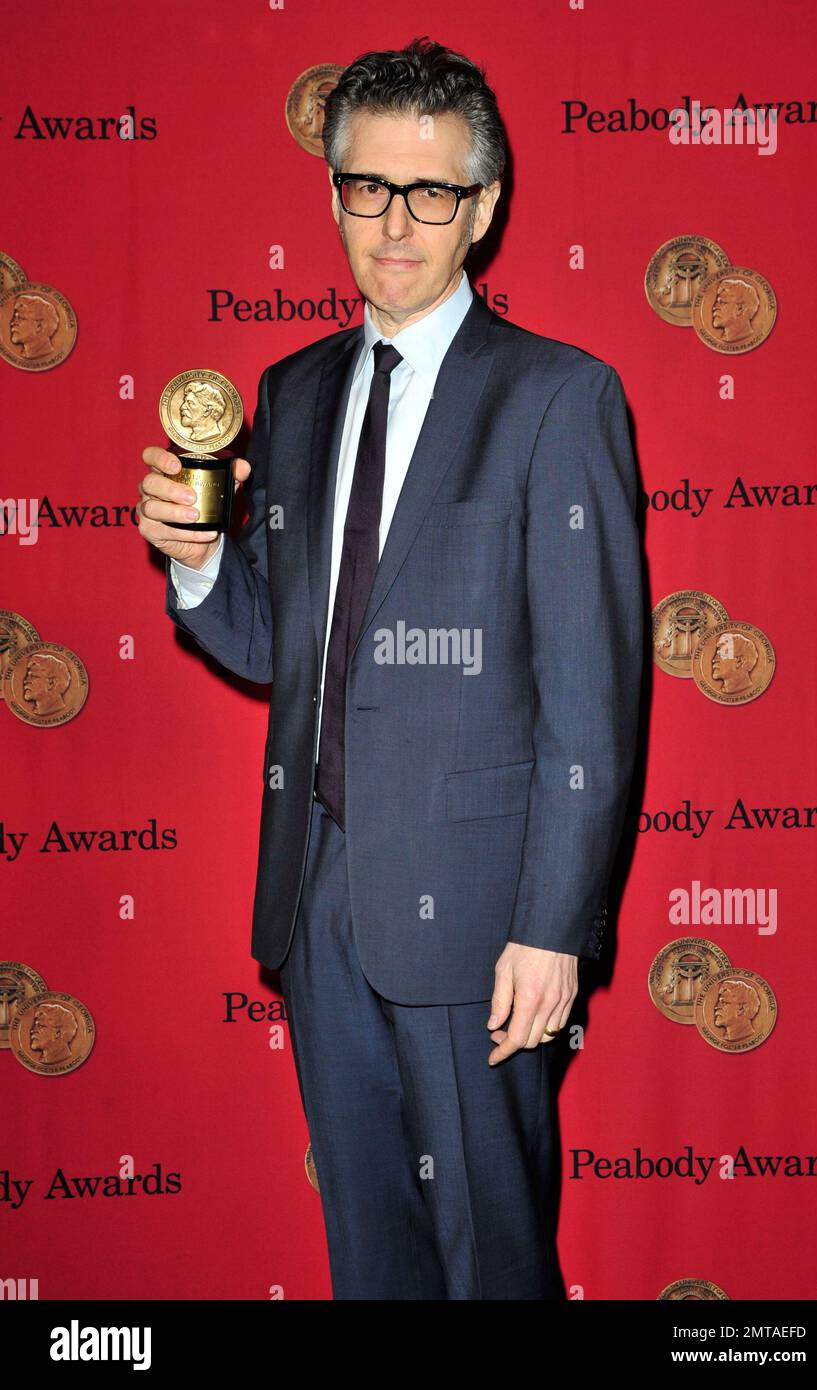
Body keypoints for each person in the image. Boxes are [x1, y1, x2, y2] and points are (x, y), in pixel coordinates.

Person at [136, 36, 643, 1300]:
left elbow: (594, 688)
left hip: (481, 922)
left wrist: (551, 926)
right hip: (318, 901)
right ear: (332, 195)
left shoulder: (557, 398)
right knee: (371, 1256)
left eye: (430, 193)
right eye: (368, 187)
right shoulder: (291, 391)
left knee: (493, 1254)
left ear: (483, 208)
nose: (396, 223)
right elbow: (278, 648)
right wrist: (198, 562)